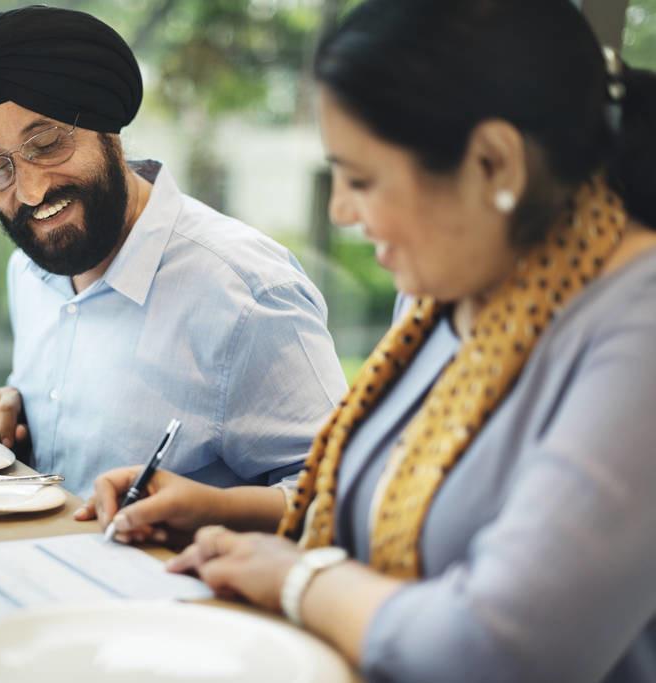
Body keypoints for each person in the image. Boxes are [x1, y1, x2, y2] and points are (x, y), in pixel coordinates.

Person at [78, 1, 656, 680]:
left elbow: (500, 648)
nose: (340, 212)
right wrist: (229, 511)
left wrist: (300, 580)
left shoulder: (633, 334)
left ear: (493, 164)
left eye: (360, 179)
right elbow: (401, 514)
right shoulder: (447, 288)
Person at [0, 6, 347, 498]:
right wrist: (13, 412)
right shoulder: (30, 270)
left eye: (46, 143)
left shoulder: (245, 291)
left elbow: (337, 498)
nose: (33, 190)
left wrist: (207, 510)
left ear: (108, 129)